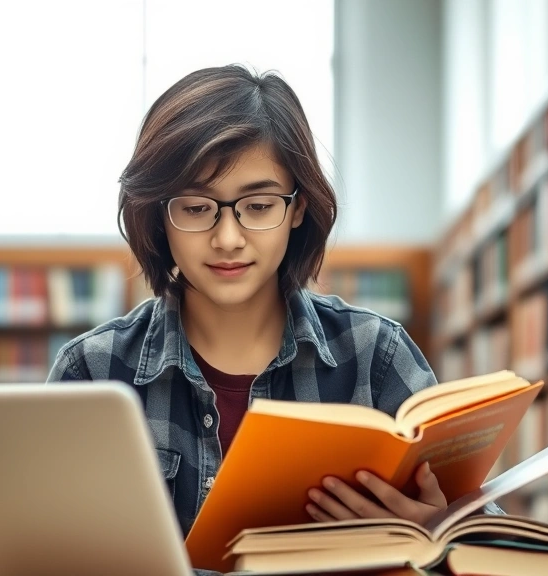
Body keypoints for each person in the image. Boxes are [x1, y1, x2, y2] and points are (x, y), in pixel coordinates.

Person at [45, 64, 504, 574]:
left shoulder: (375, 355)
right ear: (158, 214)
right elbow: (35, 551)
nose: (227, 238)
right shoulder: (92, 370)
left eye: (258, 205)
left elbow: (493, 548)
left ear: (298, 208)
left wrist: (441, 543)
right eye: (197, 209)